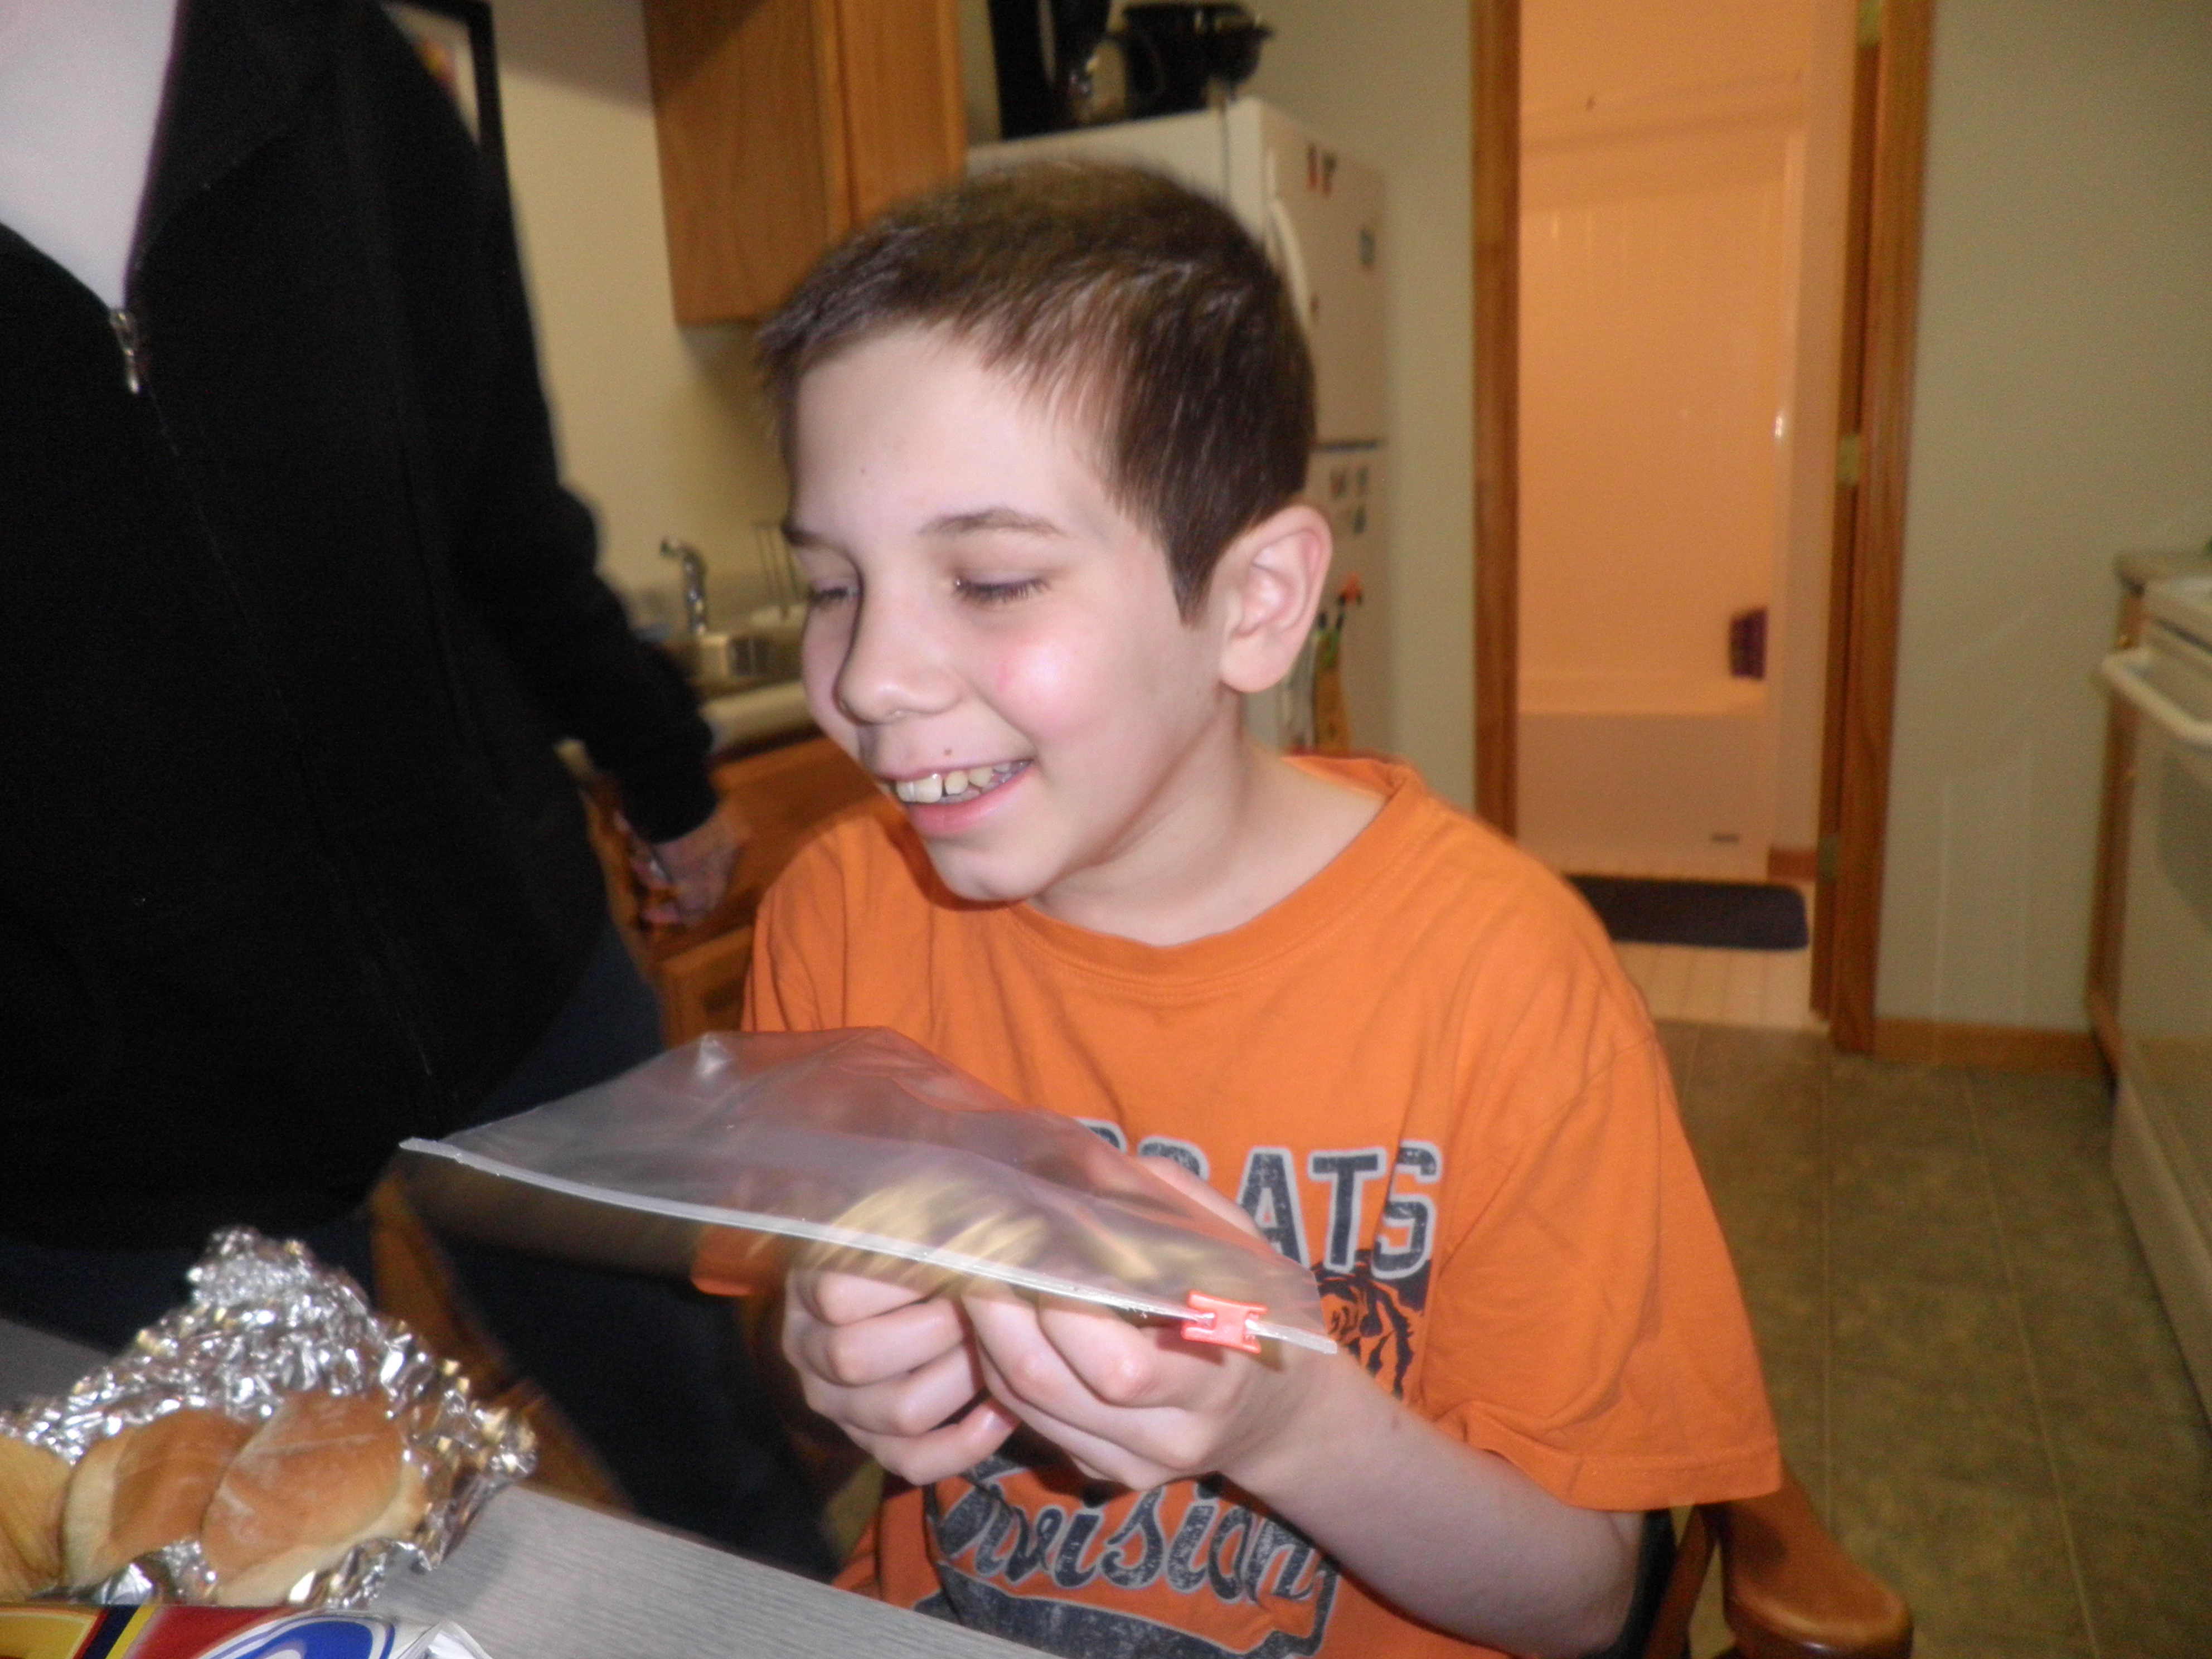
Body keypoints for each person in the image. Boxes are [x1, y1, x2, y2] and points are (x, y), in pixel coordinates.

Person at [740, 162, 1782, 1657]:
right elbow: (779, 1351)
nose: (870, 678)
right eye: (834, 585)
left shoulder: (1508, 985)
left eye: (993, 579)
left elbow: (1581, 1601)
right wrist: (819, 1362)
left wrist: (1292, 1423)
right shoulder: (838, 913)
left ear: (1256, 603)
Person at [0, 0, 826, 1573]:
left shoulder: (329, 63)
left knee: (722, 1475)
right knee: (221, 1589)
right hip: (116, 1112)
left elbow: (499, 501)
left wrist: (660, 766)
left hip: (504, 969)